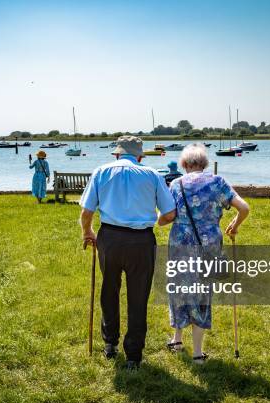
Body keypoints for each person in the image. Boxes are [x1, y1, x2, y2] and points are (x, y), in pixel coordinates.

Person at [79, 136, 176, 370]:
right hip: (141, 240)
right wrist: (155, 222)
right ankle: (133, 355)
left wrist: (87, 233)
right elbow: (170, 213)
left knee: (109, 290)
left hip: (110, 239)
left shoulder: (101, 171)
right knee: (138, 296)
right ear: (140, 156)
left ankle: (110, 343)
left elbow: (86, 211)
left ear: (117, 154)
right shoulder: (152, 174)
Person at [158, 143, 249, 364]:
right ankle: (198, 354)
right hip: (209, 246)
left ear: (184, 164)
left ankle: (177, 340)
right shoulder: (217, 182)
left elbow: (168, 215)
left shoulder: (176, 184)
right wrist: (234, 225)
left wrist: (156, 222)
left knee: (179, 291)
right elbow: (244, 208)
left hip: (180, 245)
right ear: (204, 163)